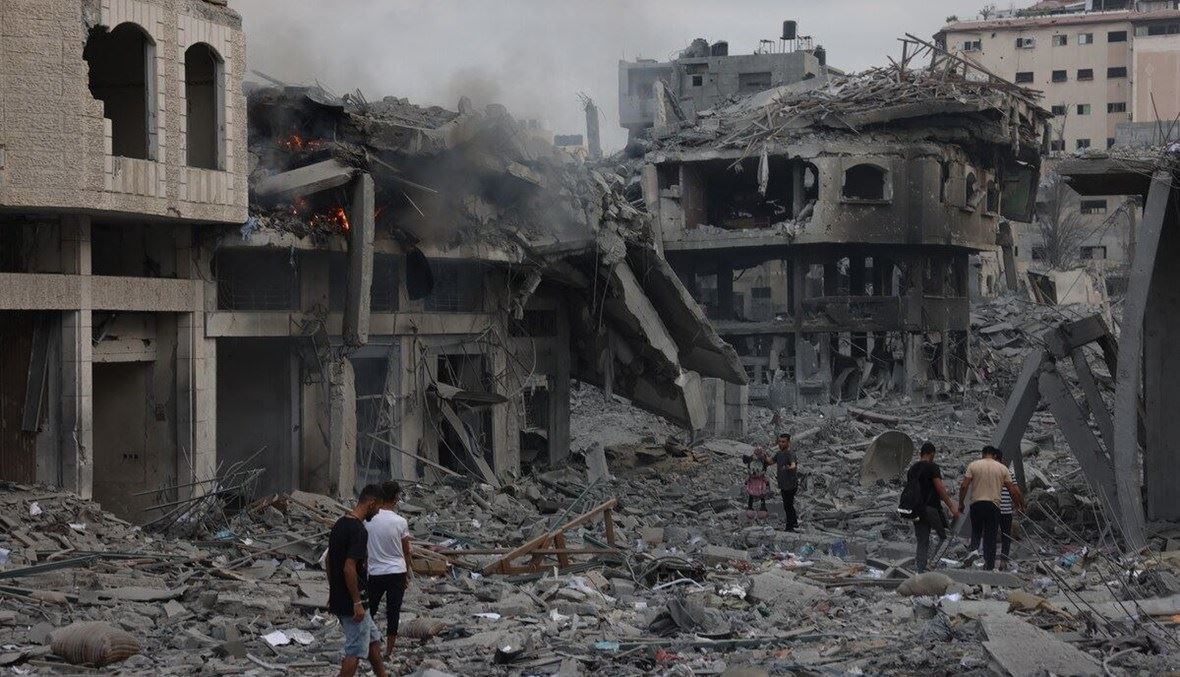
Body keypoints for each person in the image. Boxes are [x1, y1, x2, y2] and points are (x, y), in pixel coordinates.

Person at [327, 484, 388, 677]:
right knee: (355, 650)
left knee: (372, 640)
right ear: (371, 503)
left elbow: (329, 560)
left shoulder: (340, 524)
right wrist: (356, 602)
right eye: (378, 508)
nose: (377, 513)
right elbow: (349, 567)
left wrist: (334, 589)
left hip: (343, 596)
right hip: (353, 602)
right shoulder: (358, 531)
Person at [365, 481, 413, 658]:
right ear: (395, 498)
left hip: (375, 572)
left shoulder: (368, 520)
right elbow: (407, 551)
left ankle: (368, 644)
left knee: (370, 609)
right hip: (397, 572)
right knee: (393, 612)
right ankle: (388, 651)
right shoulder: (400, 522)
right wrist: (407, 573)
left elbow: (363, 549)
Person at [959, 446, 1024, 571]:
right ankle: (989, 566)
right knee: (991, 536)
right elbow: (1013, 491)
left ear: (983, 454)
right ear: (994, 455)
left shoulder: (973, 465)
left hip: (976, 504)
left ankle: (974, 550)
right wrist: (1017, 505)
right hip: (993, 506)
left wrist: (961, 503)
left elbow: (964, 486)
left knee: (976, 531)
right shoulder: (1003, 468)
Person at [904, 442, 960, 573]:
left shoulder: (912, 469)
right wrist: (951, 506)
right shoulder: (931, 467)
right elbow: (940, 488)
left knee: (922, 540)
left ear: (921, 453)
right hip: (931, 508)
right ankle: (931, 565)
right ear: (932, 454)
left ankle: (920, 570)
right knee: (946, 536)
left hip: (915, 510)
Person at [769, 433, 798, 531]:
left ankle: (789, 527)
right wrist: (763, 456)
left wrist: (790, 467)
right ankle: (794, 523)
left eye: (783, 442)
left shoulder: (790, 454)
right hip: (783, 485)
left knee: (788, 506)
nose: (781, 444)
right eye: (779, 442)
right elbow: (771, 461)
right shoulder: (779, 454)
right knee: (788, 505)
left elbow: (793, 464)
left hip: (791, 485)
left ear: (788, 442)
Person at [741, 447, 772, 519]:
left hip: (759, 483)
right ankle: (750, 507)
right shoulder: (752, 459)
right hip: (754, 483)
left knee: (761, 496)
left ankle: (762, 508)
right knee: (751, 496)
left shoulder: (762, 461)